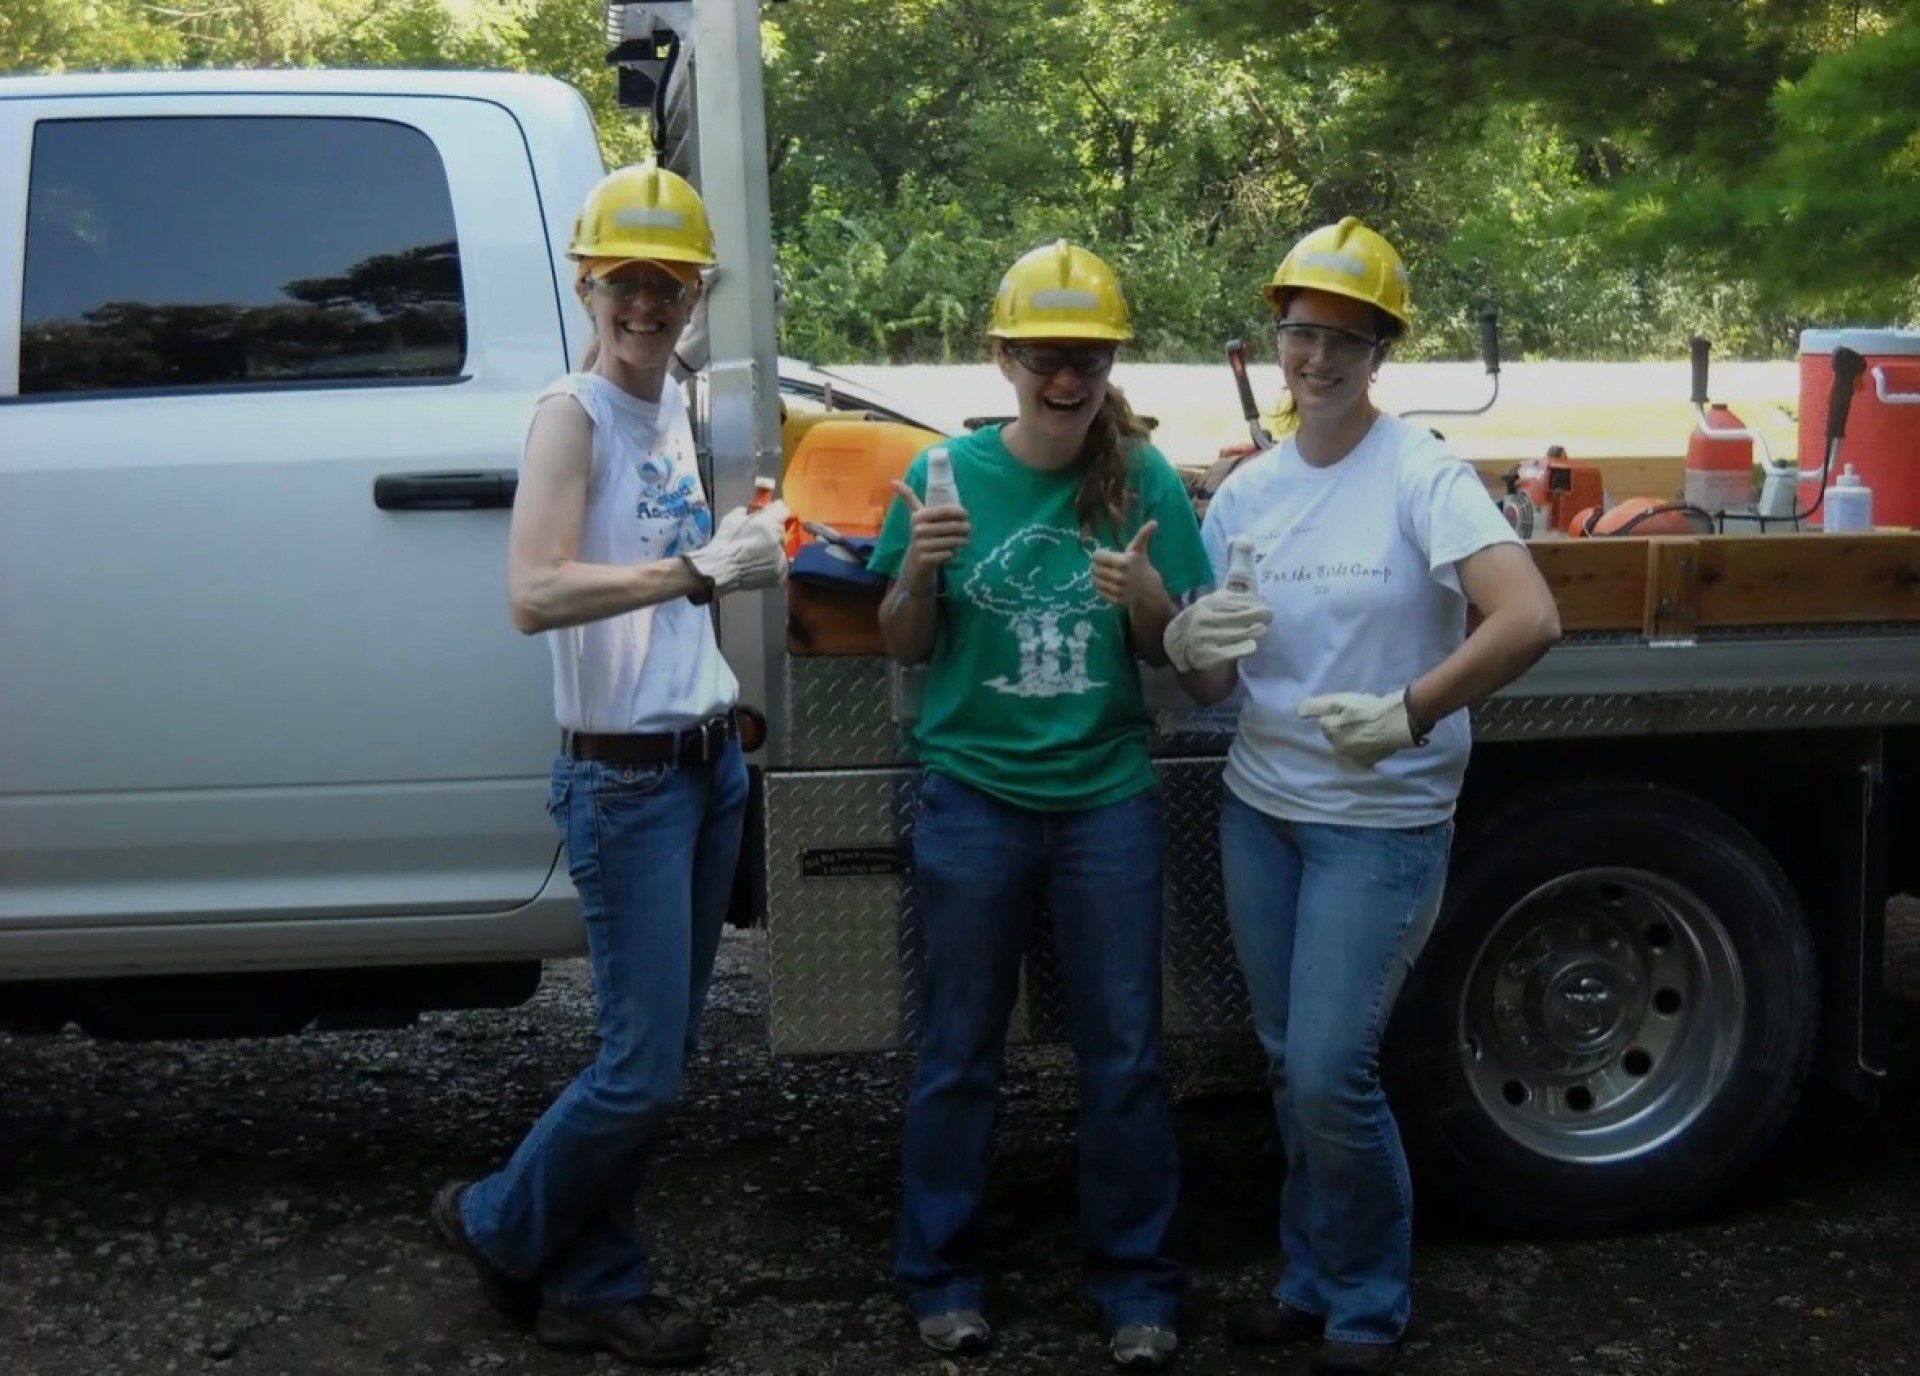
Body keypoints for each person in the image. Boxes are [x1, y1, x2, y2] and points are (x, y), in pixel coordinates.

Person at [1163, 217, 1562, 1376]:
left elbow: (1529, 616)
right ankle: (1307, 1275)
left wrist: (1412, 708)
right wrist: (1188, 635)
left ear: (1381, 349)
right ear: (1275, 342)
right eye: (1300, 334)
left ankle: (1369, 1300)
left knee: (1335, 1066)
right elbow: (1210, 680)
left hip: (1378, 824)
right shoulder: (1247, 495)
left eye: (1346, 337)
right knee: (1289, 1062)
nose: (1318, 359)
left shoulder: (1422, 474)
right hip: (1263, 809)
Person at [429, 159, 789, 1369]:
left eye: (670, 283)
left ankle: (592, 1275)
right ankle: (496, 1219)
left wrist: (737, 571)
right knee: (638, 1070)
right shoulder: (570, 413)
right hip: (624, 782)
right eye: (626, 280)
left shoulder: (674, 403)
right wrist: (695, 574)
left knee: (659, 1058)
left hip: (703, 772)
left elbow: (683, 566)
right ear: (589, 284)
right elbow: (532, 594)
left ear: (693, 294)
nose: (648, 303)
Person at [867, 240, 1214, 1371]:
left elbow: (1181, 655)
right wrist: (915, 570)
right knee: (960, 1049)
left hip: (1106, 796)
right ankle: (943, 1278)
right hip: (974, 795)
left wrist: (1151, 598)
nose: (1067, 380)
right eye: (1046, 358)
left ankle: (1137, 1289)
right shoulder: (942, 475)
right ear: (1006, 356)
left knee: (1125, 1055)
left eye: (1089, 359)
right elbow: (906, 646)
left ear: (1111, 365)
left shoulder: (1144, 480)